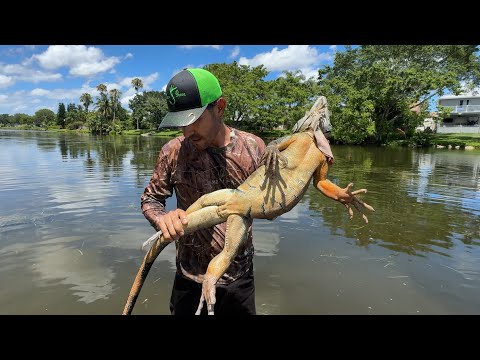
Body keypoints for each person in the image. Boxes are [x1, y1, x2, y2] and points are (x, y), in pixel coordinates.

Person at [140, 68, 266, 315]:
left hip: (238, 279)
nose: (187, 132)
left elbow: (272, 203)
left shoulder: (254, 149)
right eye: (181, 123)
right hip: (188, 278)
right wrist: (163, 218)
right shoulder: (172, 151)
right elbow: (151, 199)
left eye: (194, 120)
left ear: (219, 107)